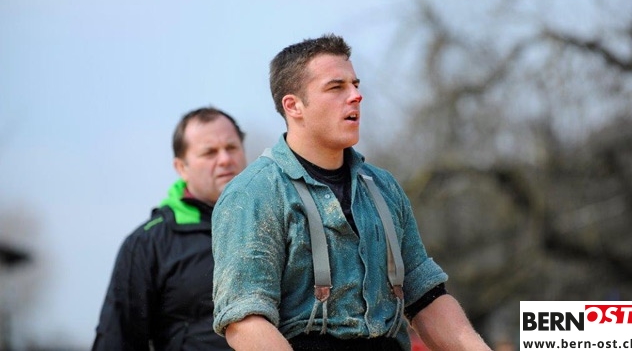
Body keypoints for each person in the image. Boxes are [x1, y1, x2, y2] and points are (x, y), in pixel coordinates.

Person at [211, 34, 491, 351]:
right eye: (336, 87)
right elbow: (244, 323)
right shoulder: (253, 194)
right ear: (293, 106)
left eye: (355, 85)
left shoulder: (383, 187)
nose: (356, 96)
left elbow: (425, 296)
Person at [93, 107, 247, 351]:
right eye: (209, 152)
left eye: (232, 147)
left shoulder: (281, 220)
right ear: (181, 168)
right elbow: (116, 340)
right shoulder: (146, 244)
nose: (225, 160)